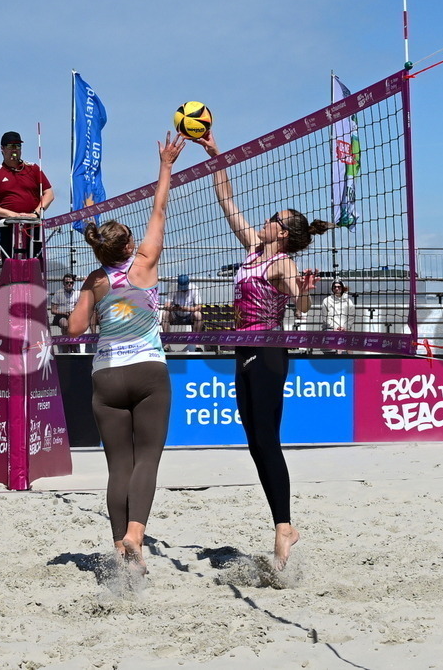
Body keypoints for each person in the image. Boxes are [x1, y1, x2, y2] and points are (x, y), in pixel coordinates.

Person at [196, 132, 328, 570]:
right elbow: (224, 197)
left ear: (285, 232)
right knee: (255, 442)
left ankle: (283, 527)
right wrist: (217, 157)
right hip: (243, 351)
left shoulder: (282, 262)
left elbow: (299, 303)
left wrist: (306, 293)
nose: (269, 219)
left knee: (267, 441)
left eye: (276, 217)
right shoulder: (254, 248)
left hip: (270, 352)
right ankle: (283, 525)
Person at [68, 133, 185, 573]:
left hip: (107, 375)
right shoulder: (146, 263)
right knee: (147, 458)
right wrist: (166, 165)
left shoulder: (95, 280)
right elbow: (160, 209)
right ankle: (136, 533)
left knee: (118, 465)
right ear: (127, 247)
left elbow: (76, 328)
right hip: (148, 371)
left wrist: (98, 310)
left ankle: (120, 548)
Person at [0, 131, 54, 258]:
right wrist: (12, 215)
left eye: (18, 146)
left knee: (35, 263)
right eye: (10, 146)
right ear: (2, 149)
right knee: (10, 264)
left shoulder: (33, 169)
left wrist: (35, 213)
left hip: (33, 225)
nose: (14, 150)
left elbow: (49, 193)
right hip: (9, 227)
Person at [161, 274, 204, 347]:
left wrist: (186, 309)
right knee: (165, 314)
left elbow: (199, 307)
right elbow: (166, 305)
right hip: (176, 315)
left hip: (189, 315)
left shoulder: (194, 289)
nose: (183, 290)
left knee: (198, 315)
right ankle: (167, 342)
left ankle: (196, 341)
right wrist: (173, 308)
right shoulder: (173, 288)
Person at [322, 280, 356, 354]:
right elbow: (325, 317)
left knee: (349, 346)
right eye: (335, 287)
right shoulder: (326, 301)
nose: (337, 289)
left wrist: (345, 327)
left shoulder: (349, 301)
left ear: (342, 288)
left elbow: (351, 317)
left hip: (345, 329)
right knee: (338, 342)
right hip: (330, 329)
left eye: (339, 287)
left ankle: (350, 360)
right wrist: (334, 328)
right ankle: (339, 358)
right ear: (332, 289)